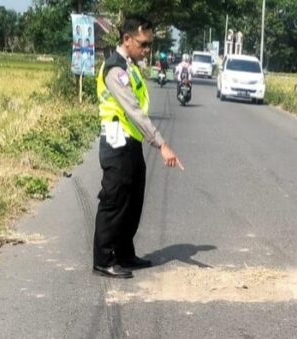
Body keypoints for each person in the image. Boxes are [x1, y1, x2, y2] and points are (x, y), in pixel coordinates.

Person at [93, 15, 184, 279]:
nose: (147, 50)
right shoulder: (115, 69)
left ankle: (124, 253)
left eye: (149, 45)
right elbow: (133, 111)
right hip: (115, 139)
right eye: (143, 44)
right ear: (127, 39)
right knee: (114, 200)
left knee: (133, 200)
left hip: (130, 142)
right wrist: (161, 144)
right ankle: (104, 259)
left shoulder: (130, 66)